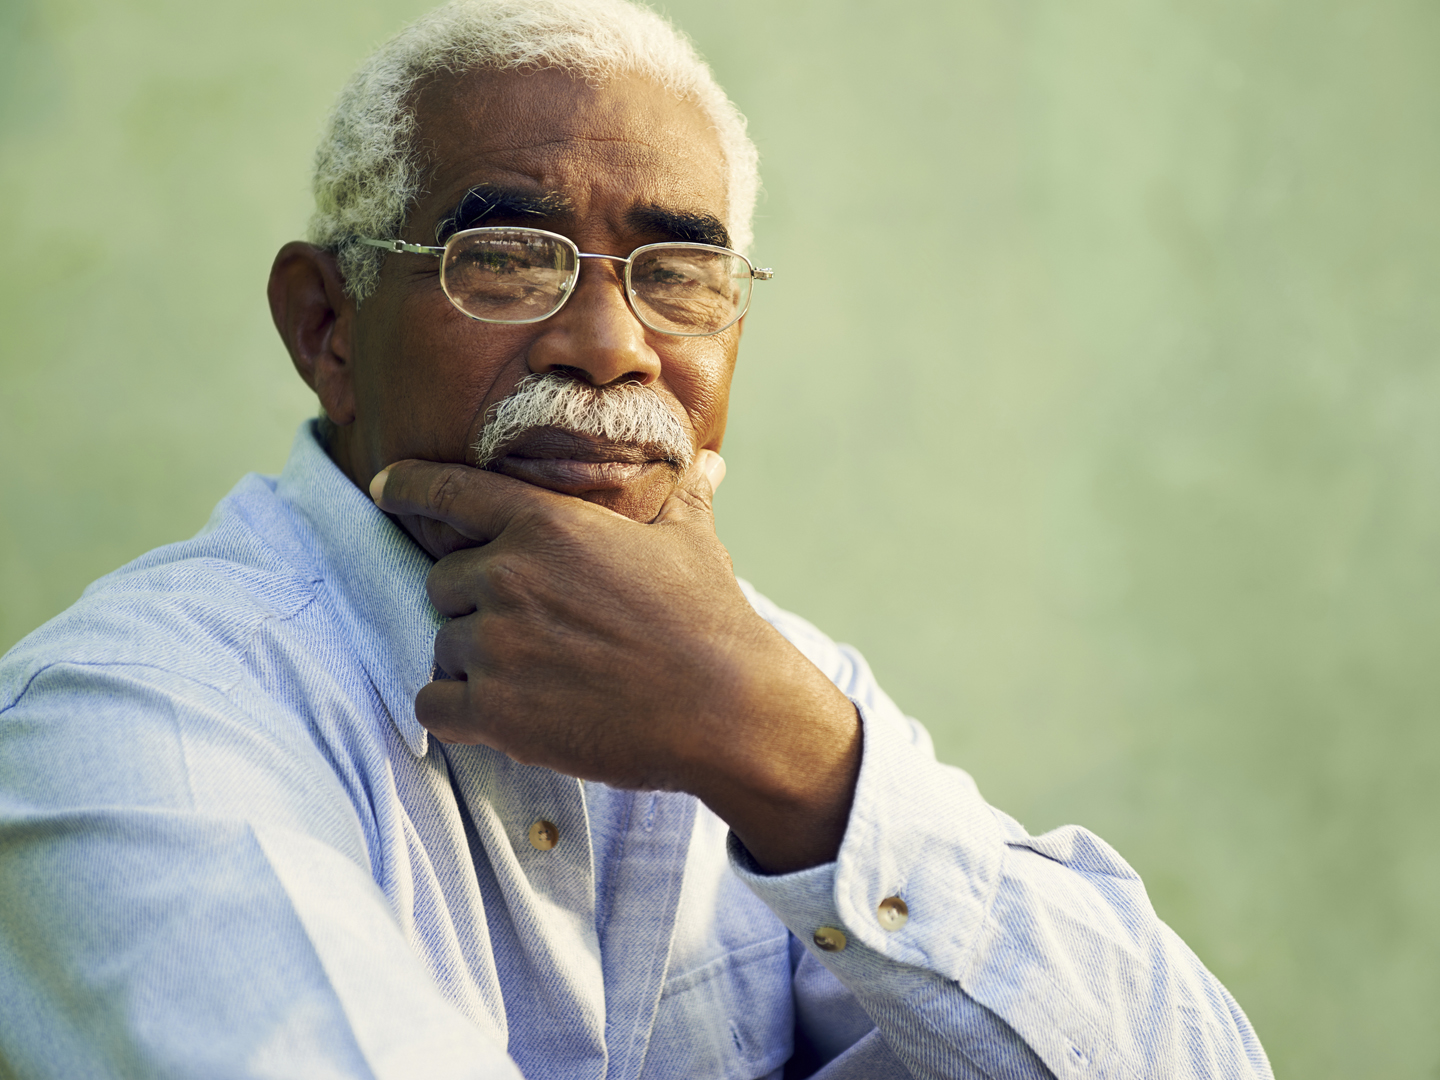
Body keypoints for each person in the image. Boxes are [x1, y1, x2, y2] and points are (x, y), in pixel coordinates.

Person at [0, 2, 1273, 1077]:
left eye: (677, 273)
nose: (612, 346)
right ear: (329, 327)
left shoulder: (764, 682)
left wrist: (788, 756)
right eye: (504, 257)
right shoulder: (130, 724)